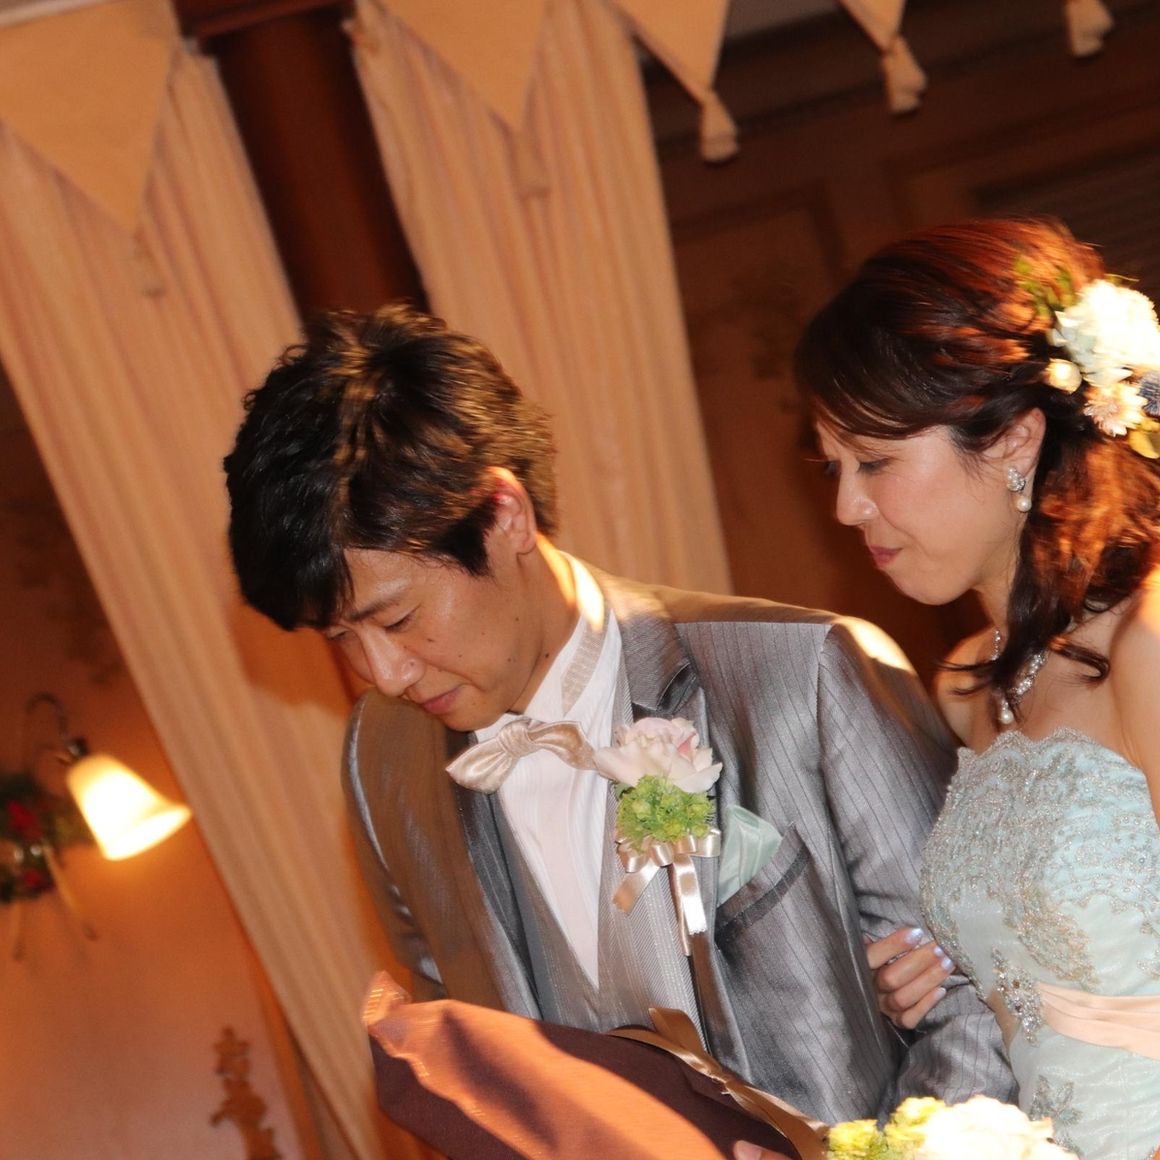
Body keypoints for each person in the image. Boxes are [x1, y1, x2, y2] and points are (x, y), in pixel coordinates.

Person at [223, 304, 1011, 1143]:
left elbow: (975, 1008)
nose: (383, 674)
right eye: (341, 637)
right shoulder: (381, 762)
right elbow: (468, 1074)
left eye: (397, 618)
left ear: (504, 513)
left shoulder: (803, 675)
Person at [793, 216, 1160, 1159]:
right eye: (834, 465)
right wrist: (941, 972)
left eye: (875, 461)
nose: (846, 506)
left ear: (1013, 442)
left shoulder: (1149, 642)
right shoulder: (965, 688)